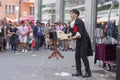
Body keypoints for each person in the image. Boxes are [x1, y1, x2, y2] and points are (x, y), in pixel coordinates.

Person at [69, 9, 93, 78]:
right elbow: (72, 33)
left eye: (72, 13)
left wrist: (72, 38)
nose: (71, 15)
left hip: (84, 40)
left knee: (83, 56)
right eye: (70, 13)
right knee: (77, 55)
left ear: (76, 14)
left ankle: (88, 72)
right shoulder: (73, 22)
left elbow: (79, 34)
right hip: (79, 41)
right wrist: (64, 35)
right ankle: (79, 71)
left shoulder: (79, 21)